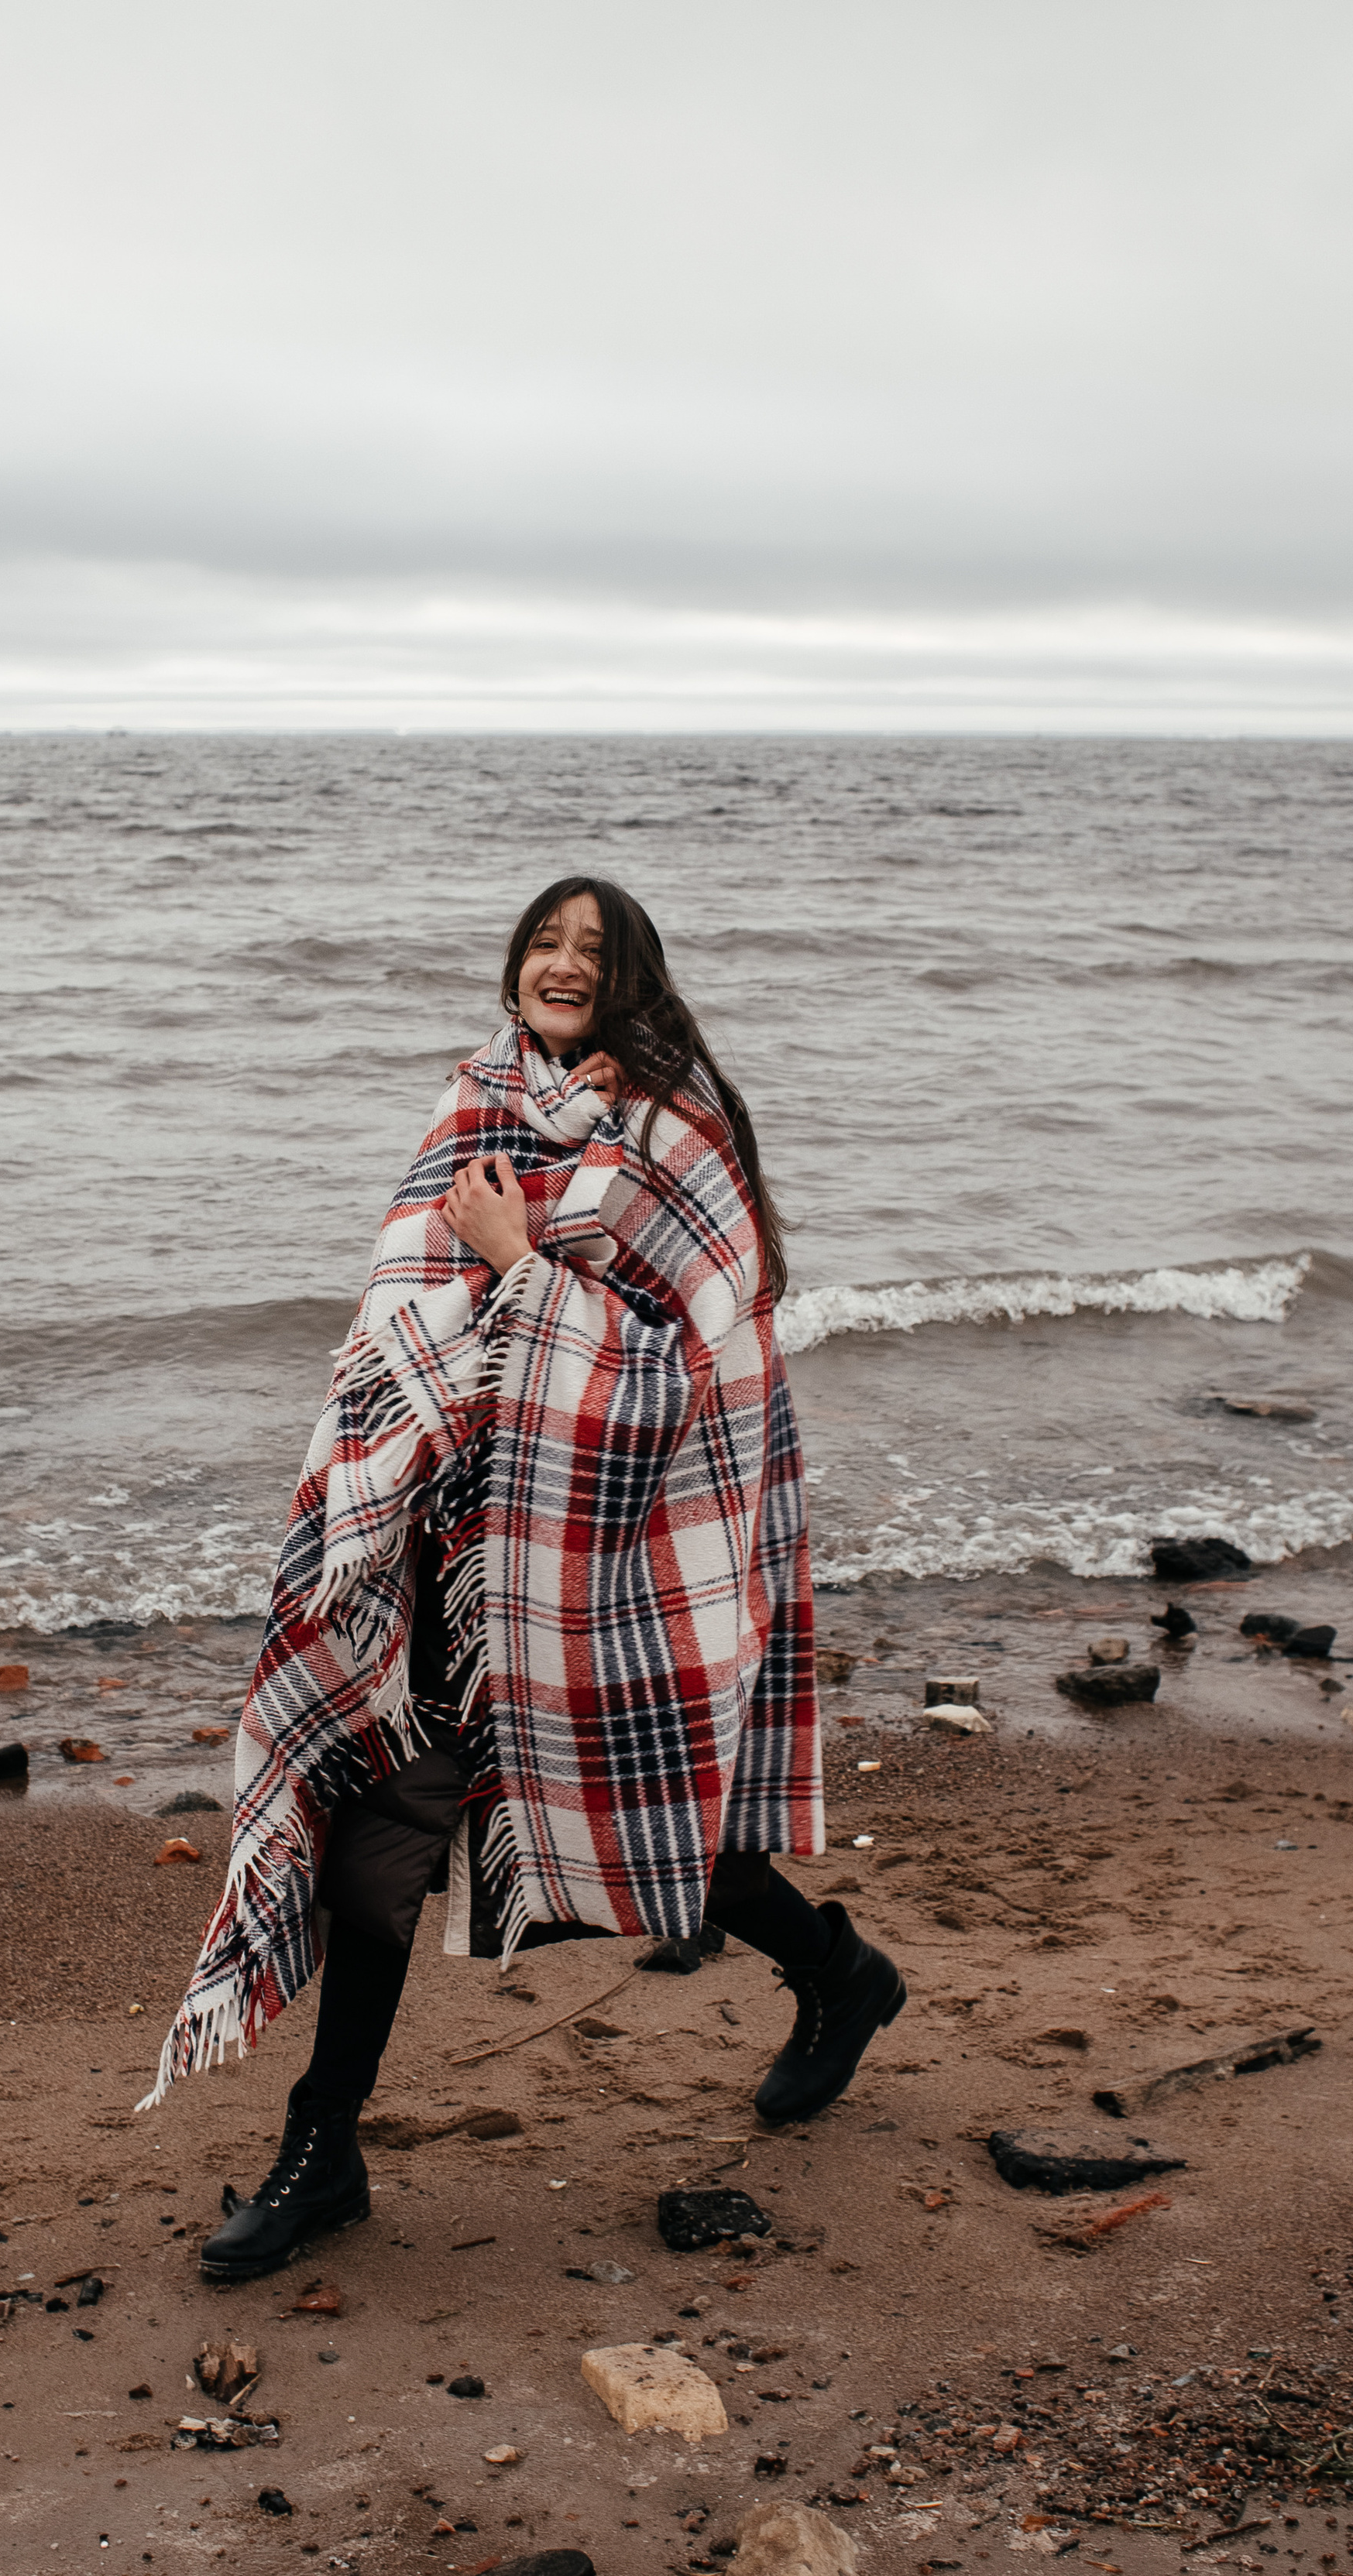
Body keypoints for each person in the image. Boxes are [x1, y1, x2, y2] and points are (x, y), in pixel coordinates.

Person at [141, 876, 906, 2279]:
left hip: (603, 1547)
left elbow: (684, 1376)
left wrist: (520, 1267)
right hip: (447, 1533)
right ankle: (323, 2148)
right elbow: (394, 1308)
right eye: (543, 945)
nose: (561, 966)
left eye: (592, 952)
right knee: (384, 1829)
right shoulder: (481, 1102)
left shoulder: (682, 1135)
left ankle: (840, 1977)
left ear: (635, 980)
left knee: (651, 1820)